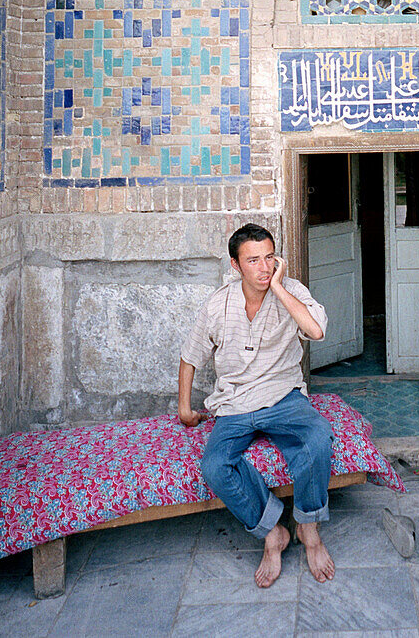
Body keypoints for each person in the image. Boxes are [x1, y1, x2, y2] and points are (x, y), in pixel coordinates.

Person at [178, 222, 335, 588]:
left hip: (283, 395)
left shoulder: (290, 291)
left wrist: (279, 287)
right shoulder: (219, 303)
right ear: (236, 265)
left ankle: (309, 530)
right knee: (216, 466)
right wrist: (185, 409)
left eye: (269, 258)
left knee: (317, 441)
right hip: (234, 403)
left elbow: (316, 331)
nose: (263, 268)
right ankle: (272, 532)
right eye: (253, 261)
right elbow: (190, 357)